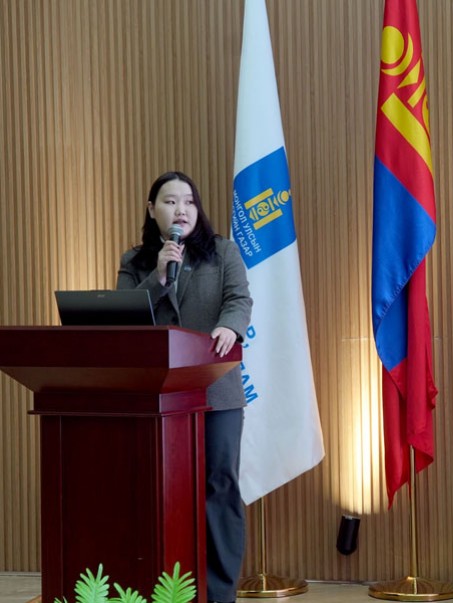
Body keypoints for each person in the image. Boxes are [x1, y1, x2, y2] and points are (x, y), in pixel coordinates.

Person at [117, 171, 253, 603]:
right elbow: (122, 320)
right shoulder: (136, 260)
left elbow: (239, 299)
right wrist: (157, 278)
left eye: (189, 202)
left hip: (216, 389)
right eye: (171, 201)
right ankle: (164, 585)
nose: (182, 210)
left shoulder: (223, 252)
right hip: (157, 395)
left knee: (219, 484)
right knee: (161, 488)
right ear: (152, 209)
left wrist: (230, 327)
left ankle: (219, 592)